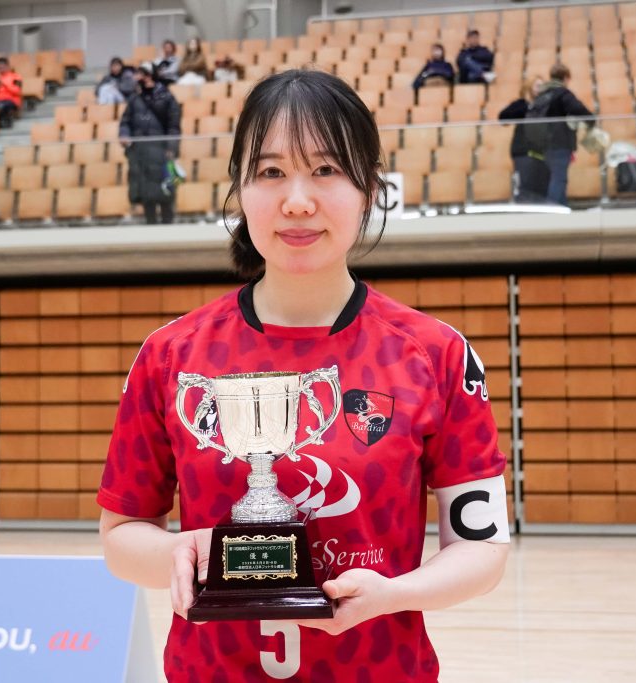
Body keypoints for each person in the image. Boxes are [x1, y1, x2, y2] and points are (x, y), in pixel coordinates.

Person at [97, 68, 509, 682]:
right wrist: (179, 553)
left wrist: (393, 594)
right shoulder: (169, 355)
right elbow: (121, 534)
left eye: (325, 169)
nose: (296, 200)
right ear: (239, 189)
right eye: (269, 172)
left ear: (369, 188)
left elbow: (481, 548)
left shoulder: (435, 354)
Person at [118, 61, 182, 224]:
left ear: (149, 76)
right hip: (140, 155)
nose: (137, 77)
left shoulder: (166, 97)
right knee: (147, 196)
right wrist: (124, 135)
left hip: (161, 153)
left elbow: (173, 126)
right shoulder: (135, 99)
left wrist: (171, 148)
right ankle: (150, 225)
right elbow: (125, 122)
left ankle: (168, 227)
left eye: (141, 74)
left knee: (165, 193)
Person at [527, 63, 595, 206]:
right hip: (559, 142)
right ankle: (553, 209)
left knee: (555, 177)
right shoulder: (562, 93)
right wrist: (591, 121)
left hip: (543, 144)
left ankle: (562, 208)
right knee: (559, 178)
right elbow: (579, 110)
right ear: (565, 78)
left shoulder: (542, 95)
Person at [499, 75, 549, 202]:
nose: (541, 89)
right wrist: (528, 106)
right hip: (523, 152)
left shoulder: (547, 106)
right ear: (529, 88)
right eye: (538, 86)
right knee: (524, 188)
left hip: (542, 153)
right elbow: (503, 118)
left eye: (543, 86)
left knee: (541, 189)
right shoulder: (521, 104)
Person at [0, 56, 22, 128]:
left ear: (7, 66)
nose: (1, 69)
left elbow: (17, 91)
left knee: (1, 106)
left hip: (11, 101)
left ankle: (1, 122)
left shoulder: (16, 77)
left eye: (2, 67)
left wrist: (4, 84)